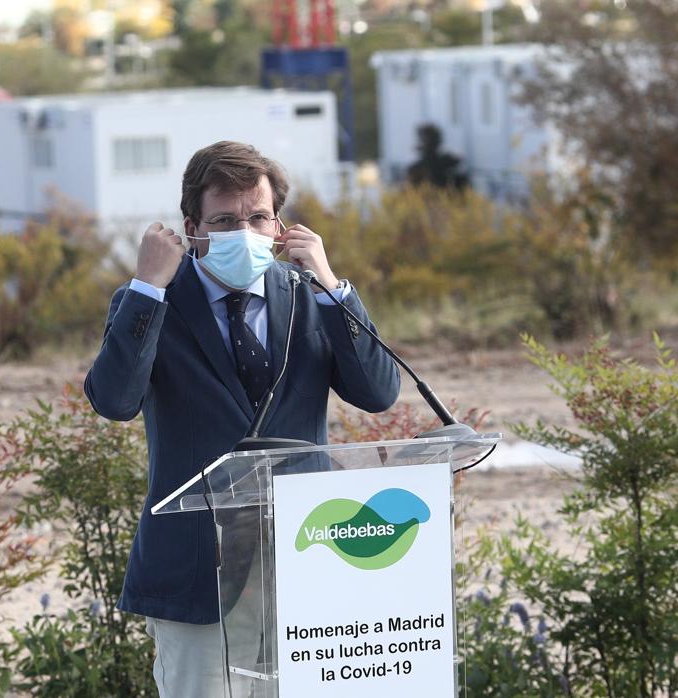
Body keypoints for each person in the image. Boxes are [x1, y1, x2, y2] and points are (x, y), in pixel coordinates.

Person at [83, 141, 401, 698]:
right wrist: (148, 286)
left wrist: (333, 287)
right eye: (225, 221)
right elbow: (113, 400)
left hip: (306, 564)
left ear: (279, 225)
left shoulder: (310, 294)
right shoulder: (152, 302)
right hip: (196, 572)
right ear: (192, 228)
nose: (244, 231)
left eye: (257, 217)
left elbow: (377, 392)